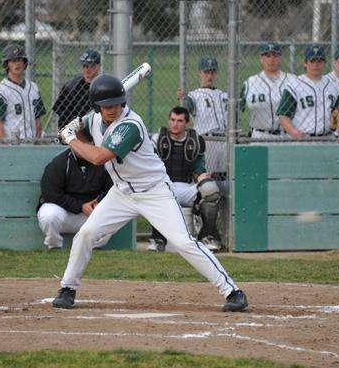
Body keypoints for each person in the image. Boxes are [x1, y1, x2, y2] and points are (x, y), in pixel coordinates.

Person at [51, 74, 248, 312]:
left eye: (117, 103)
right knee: (86, 234)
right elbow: (87, 142)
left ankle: (233, 292)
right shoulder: (93, 118)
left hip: (154, 192)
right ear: (96, 106)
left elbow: (98, 156)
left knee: (183, 242)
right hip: (122, 192)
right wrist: (75, 130)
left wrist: (69, 137)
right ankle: (68, 288)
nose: (113, 108)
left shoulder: (130, 125)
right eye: (107, 105)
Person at [147, 106, 223, 253]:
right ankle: (157, 239)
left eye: (180, 121)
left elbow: (199, 167)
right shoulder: (158, 139)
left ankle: (207, 236)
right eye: (172, 120)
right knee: (153, 191)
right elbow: (149, 163)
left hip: (187, 187)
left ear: (186, 123)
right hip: (165, 186)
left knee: (210, 190)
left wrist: (200, 175)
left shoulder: (195, 140)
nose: (175, 124)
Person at [37, 148, 113, 250]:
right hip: (63, 213)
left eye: (88, 142)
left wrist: (98, 202)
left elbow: (113, 190)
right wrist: (80, 206)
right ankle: (54, 245)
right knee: (48, 215)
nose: (84, 146)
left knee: (111, 214)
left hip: (89, 215)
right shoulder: (61, 161)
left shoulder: (104, 162)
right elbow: (50, 193)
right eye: (80, 141)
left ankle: (95, 246)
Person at [277, 44, 339, 138]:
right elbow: (283, 115)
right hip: (303, 139)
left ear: (324, 63)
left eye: (319, 61)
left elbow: (336, 112)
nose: (316, 64)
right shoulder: (294, 86)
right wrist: (293, 132)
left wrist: (335, 123)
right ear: (305, 63)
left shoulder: (332, 85)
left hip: (328, 138)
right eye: (312, 61)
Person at [177, 57, 227, 175]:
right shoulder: (194, 96)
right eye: (206, 72)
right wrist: (182, 98)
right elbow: (186, 108)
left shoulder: (225, 95)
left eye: (213, 72)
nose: (210, 76)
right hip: (206, 141)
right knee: (207, 177)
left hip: (225, 141)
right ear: (199, 73)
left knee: (226, 178)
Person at [0, 44, 47, 141]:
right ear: (6, 64)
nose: (17, 64)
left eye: (20, 60)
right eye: (13, 61)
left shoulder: (33, 88)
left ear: (24, 63)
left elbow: (38, 120)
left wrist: (37, 144)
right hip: (10, 148)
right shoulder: (0, 92)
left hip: (30, 145)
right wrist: (6, 147)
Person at [240, 42, 296, 140]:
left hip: (287, 136)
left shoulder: (293, 80)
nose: (271, 60)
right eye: (268, 56)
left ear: (280, 58)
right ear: (261, 59)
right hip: (259, 135)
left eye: (275, 56)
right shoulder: (250, 83)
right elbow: (237, 109)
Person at [52, 49, 102, 131]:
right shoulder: (72, 86)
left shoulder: (104, 86)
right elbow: (62, 114)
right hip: (74, 131)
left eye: (91, 66)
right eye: (84, 66)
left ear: (99, 66)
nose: (87, 70)